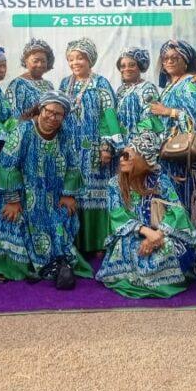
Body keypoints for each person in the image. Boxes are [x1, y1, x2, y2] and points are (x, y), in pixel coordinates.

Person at [0, 92, 88, 288]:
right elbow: (7, 166)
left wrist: (68, 195)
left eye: (58, 114)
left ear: (64, 117)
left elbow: (73, 165)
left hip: (53, 195)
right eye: (49, 111)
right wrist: (12, 200)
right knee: (13, 219)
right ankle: (12, 267)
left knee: (64, 215)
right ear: (40, 109)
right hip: (20, 196)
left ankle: (56, 264)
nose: (52, 117)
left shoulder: (65, 134)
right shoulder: (23, 131)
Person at [95, 132, 196, 298]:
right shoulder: (114, 184)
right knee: (125, 246)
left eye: (127, 155)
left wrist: (158, 234)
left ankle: (160, 281)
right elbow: (117, 215)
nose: (121, 159)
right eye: (121, 154)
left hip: (161, 233)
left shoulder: (160, 181)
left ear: (143, 159)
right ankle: (141, 280)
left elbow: (177, 211)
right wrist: (146, 231)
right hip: (132, 233)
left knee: (168, 247)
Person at [137, 39, 196, 264]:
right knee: (173, 206)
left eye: (174, 58)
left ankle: (194, 259)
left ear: (185, 61)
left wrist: (170, 112)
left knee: (190, 205)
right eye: (165, 58)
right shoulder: (170, 85)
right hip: (169, 158)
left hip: (187, 159)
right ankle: (177, 258)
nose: (169, 62)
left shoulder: (190, 84)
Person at [59, 38, 120, 255]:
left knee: (96, 196)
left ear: (90, 60)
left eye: (80, 58)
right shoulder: (64, 84)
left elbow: (108, 115)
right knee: (73, 194)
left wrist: (107, 146)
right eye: (71, 59)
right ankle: (75, 243)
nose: (75, 63)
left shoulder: (100, 83)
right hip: (70, 150)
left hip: (94, 150)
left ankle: (97, 243)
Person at [114, 47, 159, 138]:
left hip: (139, 143)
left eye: (132, 65)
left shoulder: (148, 89)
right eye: (123, 66)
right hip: (119, 143)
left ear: (140, 67)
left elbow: (151, 121)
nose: (127, 69)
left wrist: (135, 145)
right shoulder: (120, 91)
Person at [6, 38, 56, 116]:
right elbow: (12, 118)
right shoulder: (17, 84)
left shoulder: (49, 85)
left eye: (43, 61)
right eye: (35, 61)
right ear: (26, 61)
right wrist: (33, 112)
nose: (40, 65)